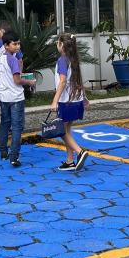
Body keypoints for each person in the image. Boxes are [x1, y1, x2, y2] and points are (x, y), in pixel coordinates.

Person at [0, 31, 36, 167]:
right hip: (16, 97)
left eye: (19, 43)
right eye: (15, 44)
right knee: (17, 127)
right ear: (6, 45)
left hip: (4, 97)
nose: (18, 46)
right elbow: (17, 79)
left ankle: (3, 152)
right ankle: (14, 156)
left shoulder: (0, 59)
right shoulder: (13, 59)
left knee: (5, 124)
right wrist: (29, 82)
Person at [51, 33, 89, 172]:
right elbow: (77, 80)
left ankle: (80, 152)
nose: (57, 44)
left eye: (58, 42)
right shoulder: (73, 59)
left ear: (61, 45)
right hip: (76, 101)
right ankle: (70, 161)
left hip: (66, 102)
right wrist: (84, 97)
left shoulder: (62, 60)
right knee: (67, 130)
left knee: (61, 131)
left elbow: (62, 81)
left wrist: (54, 100)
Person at [0, 21, 22, 121]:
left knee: (0, 95)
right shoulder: (14, 43)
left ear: (1, 31)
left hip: (1, 73)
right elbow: (20, 60)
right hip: (13, 75)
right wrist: (20, 73)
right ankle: (10, 121)